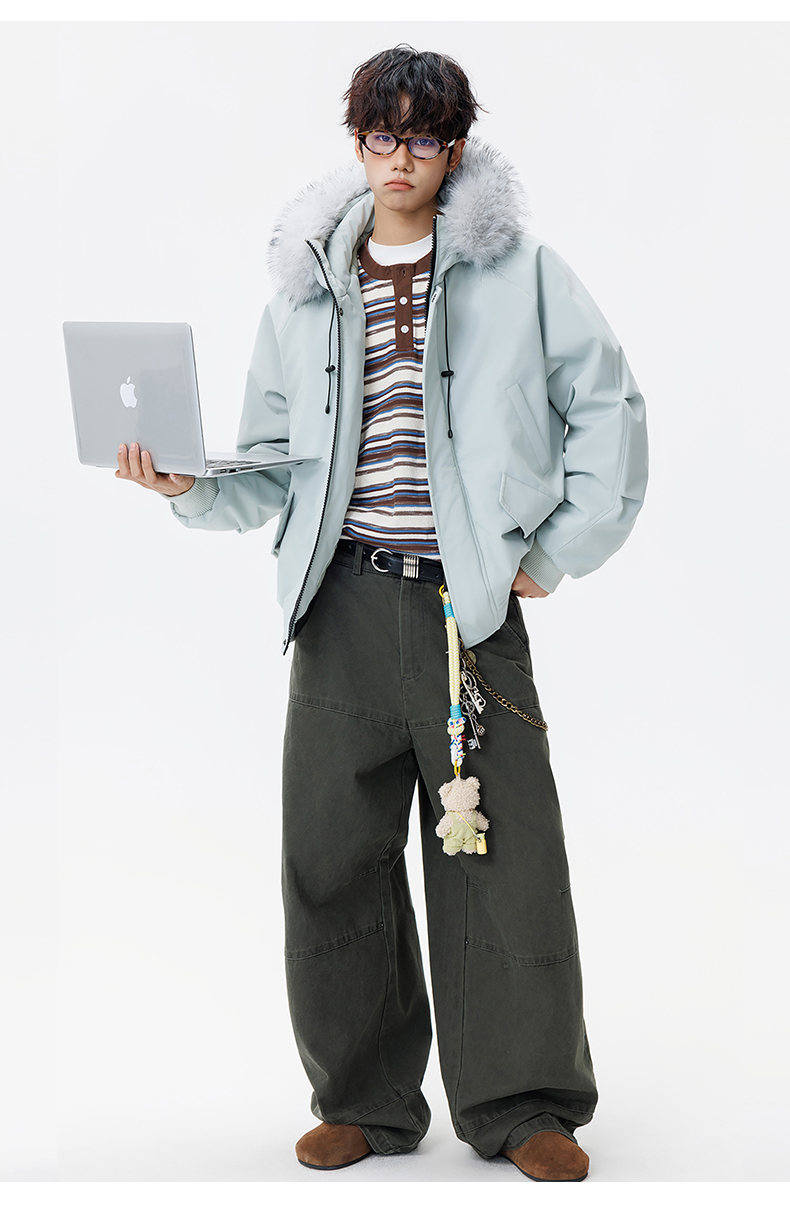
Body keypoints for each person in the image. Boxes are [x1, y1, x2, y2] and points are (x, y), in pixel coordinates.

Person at [116, 44, 648, 1182]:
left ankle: (524, 1105)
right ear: (355, 142)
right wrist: (187, 485)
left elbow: (609, 409)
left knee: (502, 860)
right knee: (331, 857)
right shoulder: (308, 287)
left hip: (469, 609)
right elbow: (271, 463)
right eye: (379, 134)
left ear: (454, 148)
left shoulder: (522, 273)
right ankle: (362, 1098)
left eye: (421, 137)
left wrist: (554, 554)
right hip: (339, 605)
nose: (398, 157)